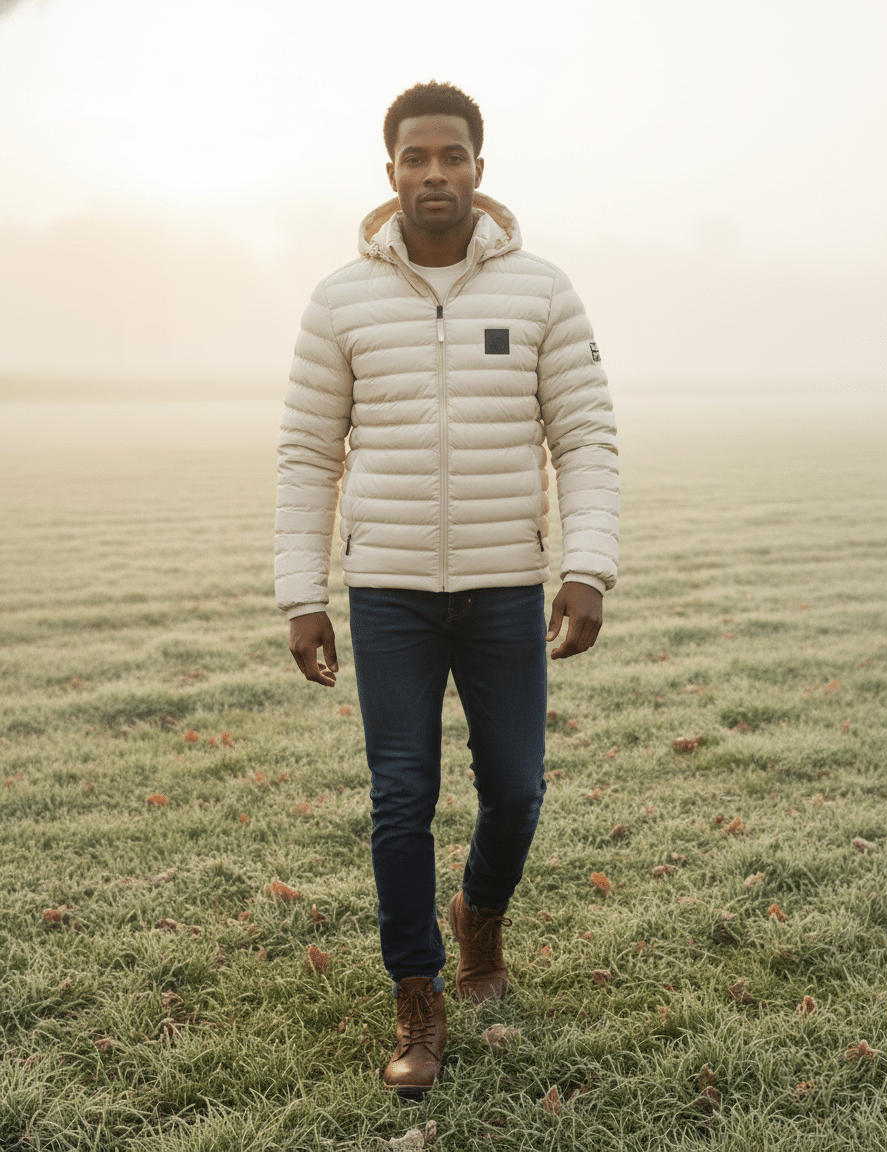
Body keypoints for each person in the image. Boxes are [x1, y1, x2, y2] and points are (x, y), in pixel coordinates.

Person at [275, 81, 619, 1097]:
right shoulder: (340, 300)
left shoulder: (542, 292)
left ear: (478, 166)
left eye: (452, 156)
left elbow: (586, 436)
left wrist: (586, 568)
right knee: (400, 799)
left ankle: (480, 917)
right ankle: (417, 995)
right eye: (415, 157)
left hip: (505, 587)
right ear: (390, 172)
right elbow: (305, 451)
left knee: (515, 790)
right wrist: (303, 594)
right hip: (387, 592)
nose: (434, 173)